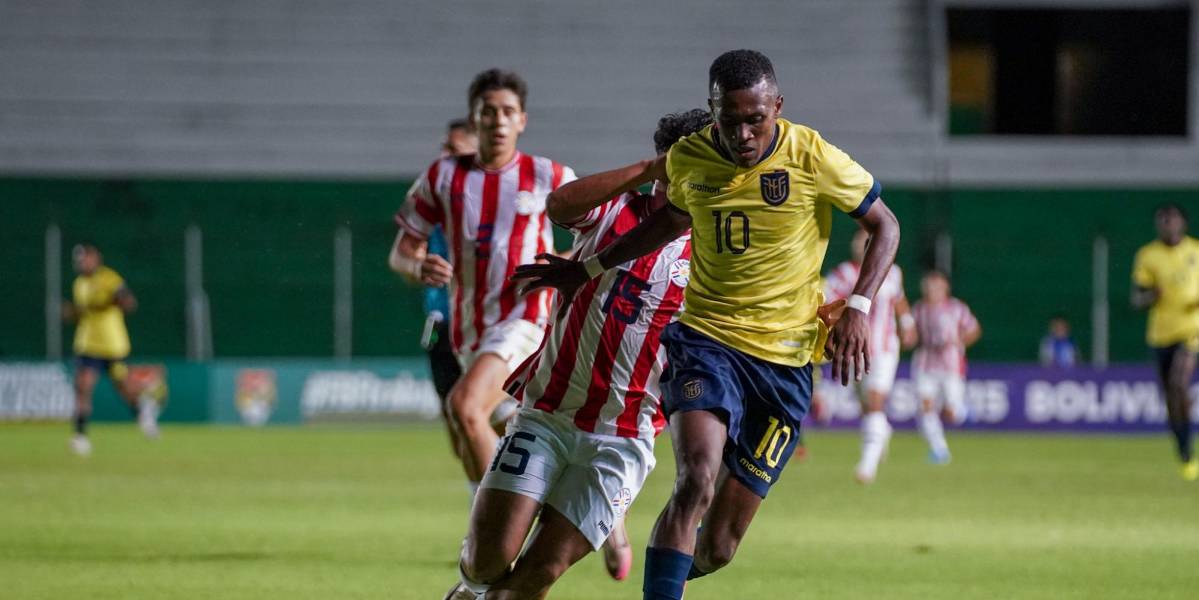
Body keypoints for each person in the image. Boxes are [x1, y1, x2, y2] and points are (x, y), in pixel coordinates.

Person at [513, 50, 900, 600]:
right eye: (729, 120)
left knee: (718, 547)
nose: (742, 135)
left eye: (755, 120)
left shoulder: (812, 156)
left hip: (785, 366)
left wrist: (859, 306)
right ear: (712, 109)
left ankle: (665, 572)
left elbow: (885, 225)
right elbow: (669, 222)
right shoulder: (690, 157)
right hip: (706, 344)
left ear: (778, 106)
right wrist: (589, 268)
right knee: (696, 477)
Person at [444, 109, 712, 600]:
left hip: (623, 438)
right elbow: (559, 205)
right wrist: (648, 169)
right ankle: (470, 589)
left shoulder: (714, 250)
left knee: (537, 574)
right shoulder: (616, 210)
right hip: (549, 415)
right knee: (486, 562)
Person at [391, 70, 576, 501]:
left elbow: (601, 234)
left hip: (527, 320)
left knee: (464, 407)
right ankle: (573, 508)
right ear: (474, 119)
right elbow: (401, 253)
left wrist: (561, 265)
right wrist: (417, 267)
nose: (498, 120)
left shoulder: (548, 175)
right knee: (493, 427)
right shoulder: (442, 177)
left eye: (508, 111)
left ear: (522, 120)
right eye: (488, 111)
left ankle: (494, 526)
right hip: (468, 331)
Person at [391, 119, 477, 462]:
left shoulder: (513, 190)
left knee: (483, 414)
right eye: (443, 147)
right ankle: (480, 492)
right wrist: (417, 266)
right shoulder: (432, 191)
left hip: (493, 325)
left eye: (453, 149)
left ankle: (508, 489)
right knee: (457, 421)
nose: (443, 154)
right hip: (443, 322)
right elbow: (401, 256)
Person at [825, 229, 916, 483]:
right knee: (866, 405)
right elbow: (828, 303)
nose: (862, 245)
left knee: (876, 400)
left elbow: (899, 300)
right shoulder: (844, 273)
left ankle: (867, 465)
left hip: (884, 348)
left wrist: (908, 323)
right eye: (858, 241)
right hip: (853, 348)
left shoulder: (892, 272)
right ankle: (881, 431)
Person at [62, 243, 157, 456]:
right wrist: (72, 313)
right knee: (83, 386)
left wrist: (118, 301)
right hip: (88, 344)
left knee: (124, 388)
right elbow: (84, 312)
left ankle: (142, 412)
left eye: (85, 259)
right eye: (79, 260)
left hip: (112, 345)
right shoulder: (79, 284)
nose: (82, 263)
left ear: (95, 258)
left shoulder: (109, 279)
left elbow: (129, 302)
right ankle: (80, 436)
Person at [1132, 203, 1199, 481]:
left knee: (1178, 383)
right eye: (1163, 221)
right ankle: (1183, 447)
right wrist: (1152, 296)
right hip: (1160, 334)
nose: (1168, 225)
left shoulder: (1196, 251)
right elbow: (1137, 299)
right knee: (1170, 396)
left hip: (1191, 330)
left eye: (1173, 220)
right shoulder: (1148, 255)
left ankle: (1186, 443)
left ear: (1183, 223)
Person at [910, 270, 981, 465]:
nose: (931, 290)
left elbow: (974, 330)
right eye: (928, 286)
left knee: (951, 414)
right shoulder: (919, 309)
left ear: (945, 288)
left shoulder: (957, 308)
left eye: (936, 286)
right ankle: (939, 450)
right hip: (925, 362)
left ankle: (962, 411)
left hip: (951, 364)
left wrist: (960, 341)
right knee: (925, 406)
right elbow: (912, 334)